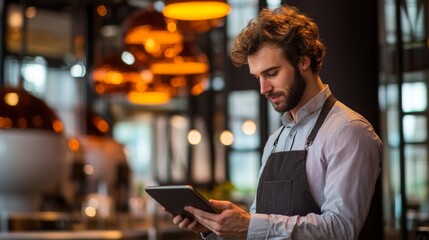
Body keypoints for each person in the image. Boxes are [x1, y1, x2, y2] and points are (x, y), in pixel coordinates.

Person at [170, 5, 382, 239]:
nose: (263, 88)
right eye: (258, 77)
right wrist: (218, 227)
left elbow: (341, 229)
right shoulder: (275, 140)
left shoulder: (349, 131)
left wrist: (250, 225)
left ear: (303, 61)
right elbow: (262, 225)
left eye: (271, 73)